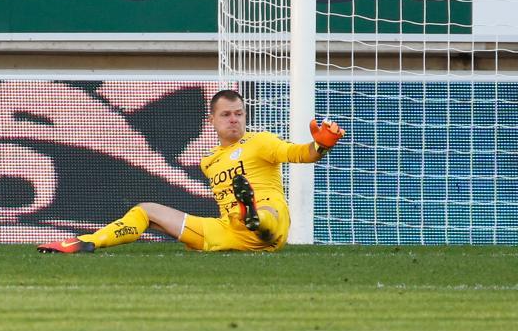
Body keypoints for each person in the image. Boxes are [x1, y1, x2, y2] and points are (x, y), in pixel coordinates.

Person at [37, 89, 345, 254]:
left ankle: (252, 214)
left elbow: (299, 154)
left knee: (266, 214)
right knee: (146, 211)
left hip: (270, 227)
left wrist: (320, 146)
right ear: (211, 120)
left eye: (239, 114)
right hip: (227, 234)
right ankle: (85, 242)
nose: (234, 120)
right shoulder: (208, 161)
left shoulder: (260, 141)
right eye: (226, 114)